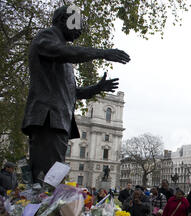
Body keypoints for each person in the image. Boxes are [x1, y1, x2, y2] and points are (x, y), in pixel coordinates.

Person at [21, 5, 130, 183]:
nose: (80, 30)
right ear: (64, 20)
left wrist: (97, 88)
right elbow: (66, 52)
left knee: (51, 180)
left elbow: (72, 92)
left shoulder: (63, 57)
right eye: (77, 24)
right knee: (45, 180)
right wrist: (101, 53)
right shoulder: (47, 37)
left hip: (58, 120)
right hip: (47, 118)